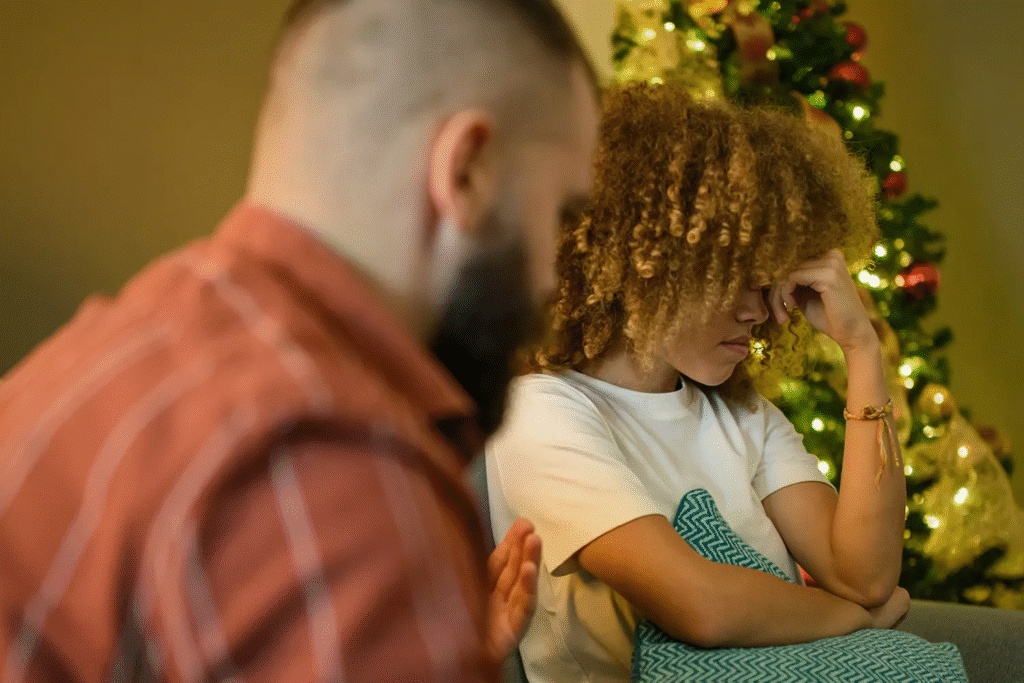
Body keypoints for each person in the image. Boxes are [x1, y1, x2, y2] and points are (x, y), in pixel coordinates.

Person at [0, 1, 599, 681]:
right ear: (466, 171)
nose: (556, 278)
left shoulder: (112, 345)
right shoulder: (328, 457)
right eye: (562, 214)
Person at [486, 82, 910, 683]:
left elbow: (865, 575)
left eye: (768, 284)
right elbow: (700, 607)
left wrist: (862, 350)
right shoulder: (541, 411)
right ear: (648, 264)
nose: (758, 311)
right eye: (735, 278)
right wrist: (857, 621)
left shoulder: (744, 417)